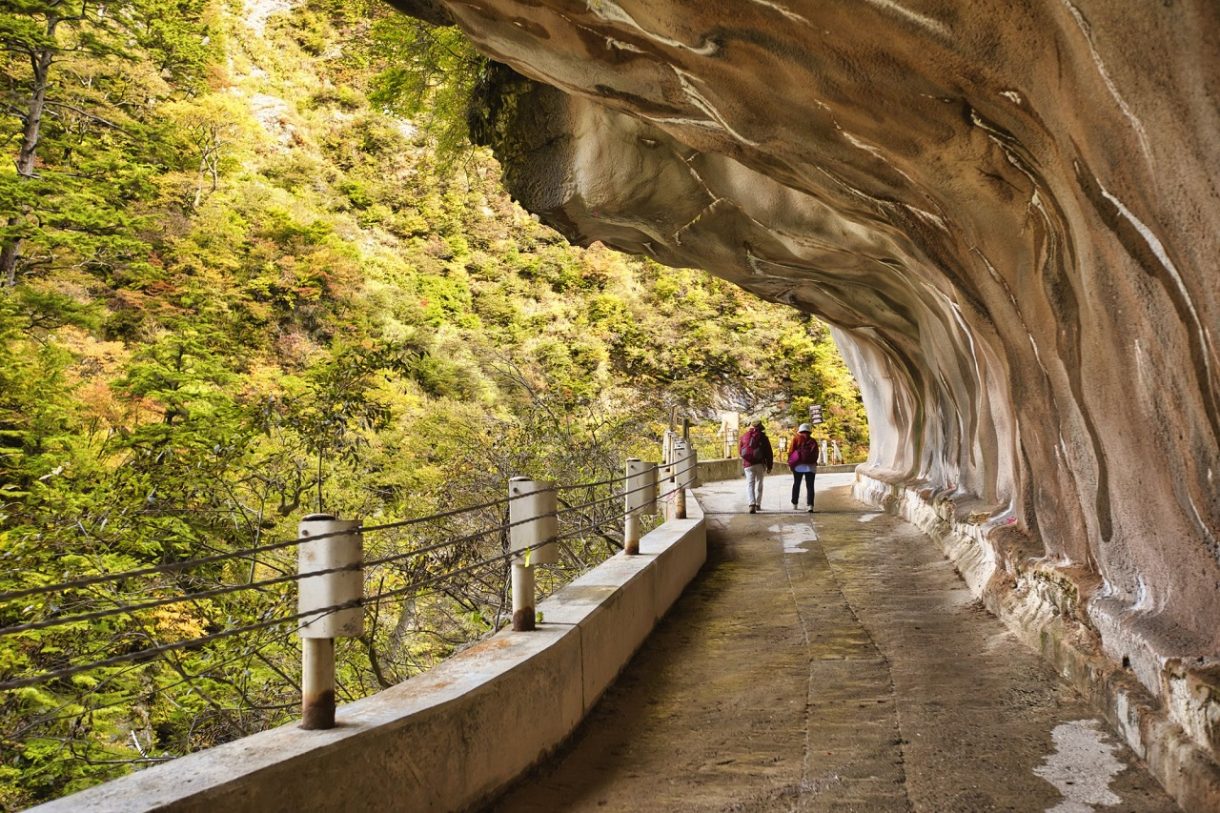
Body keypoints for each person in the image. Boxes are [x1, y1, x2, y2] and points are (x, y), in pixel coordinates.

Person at [739, 420, 774, 514]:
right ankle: (758, 504)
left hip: (748, 464)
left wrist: (747, 459)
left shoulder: (744, 436)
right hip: (760, 464)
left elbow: (740, 451)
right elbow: (769, 453)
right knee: (759, 483)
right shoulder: (764, 437)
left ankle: (751, 504)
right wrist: (769, 466)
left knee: (750, 484)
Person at [788, 423, 819, 512]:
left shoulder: (796, 439)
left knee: (796, 484)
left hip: (798, 466)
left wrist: (790, 464)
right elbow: (816, 453)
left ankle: (794, 503)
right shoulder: (813, 441)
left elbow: (791, 452)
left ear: (800, 431)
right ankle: (810, 505)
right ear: (809, 431)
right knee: (810, 486)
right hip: (811, 466)